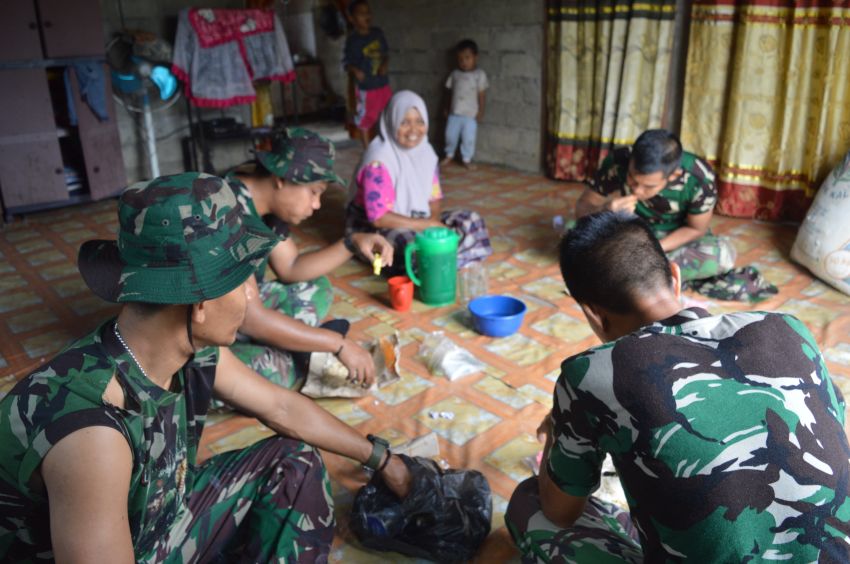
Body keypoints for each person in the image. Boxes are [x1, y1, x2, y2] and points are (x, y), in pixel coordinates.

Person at [0, 173, 410, 563]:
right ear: (199, 304)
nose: (253, 294)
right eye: (244, 279)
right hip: (132, 548)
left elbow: (282, 409)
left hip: (162, 520)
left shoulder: (182, 350)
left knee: (294, 461)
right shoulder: (91, 435)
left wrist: (383, 459)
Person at [506, 211, 850, 562]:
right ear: (675, 275)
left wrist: (557, 427)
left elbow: (561, 512)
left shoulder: (591, 375)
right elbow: (835, 418)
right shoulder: (788, 329)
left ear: (593, 313)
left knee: (530, 505)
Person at [226, 127, 393, 393]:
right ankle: (290, 348)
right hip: (198, 328)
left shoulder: (263, 206)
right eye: (313, 192)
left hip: (240, 308)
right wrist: (336, 343)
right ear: (281, 178)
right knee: (272, 374)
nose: (316, 205)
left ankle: (291, 342)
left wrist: (352, 242)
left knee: (318, 287)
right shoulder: (230, 213)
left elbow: (290, 268)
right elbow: (250, 318)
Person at [346, 89, 492, 275]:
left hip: (417, 217)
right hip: (376, 226)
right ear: (392, 122)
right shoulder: (378, 161)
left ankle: (439, 263)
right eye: (404, 122)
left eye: (419, 121)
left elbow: (434, 198)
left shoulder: (427, 153)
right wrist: (425, 226)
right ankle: (446, 261)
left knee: (471, 221)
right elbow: (379, 218)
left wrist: (433, 224)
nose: (414, 130)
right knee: (409, 244)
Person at [344, 0, 391, 148]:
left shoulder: (378, 33)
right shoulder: (352, 41)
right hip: (366, 88)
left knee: (387, 114)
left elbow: (386, 54)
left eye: (368, 12)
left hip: (383, 84)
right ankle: (367, 150)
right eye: (361, 13)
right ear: (352, 19)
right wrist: (355, 70)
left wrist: (384, 64)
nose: (367, 15)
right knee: (366, 118)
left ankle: (386, 146)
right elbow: (346, 63)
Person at [441, 38, 488, 170]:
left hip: (470, 115)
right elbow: (448, 93)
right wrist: (445, 107)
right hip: (454, 114)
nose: (464, 62)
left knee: (468, 138)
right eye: (460, 59)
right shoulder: (454, 74)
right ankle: (449, 154)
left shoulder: (479, 75)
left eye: (467, 58)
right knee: (450, 135)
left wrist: (481, 111)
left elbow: (482, 95)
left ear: (475, 57)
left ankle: (466, 158)